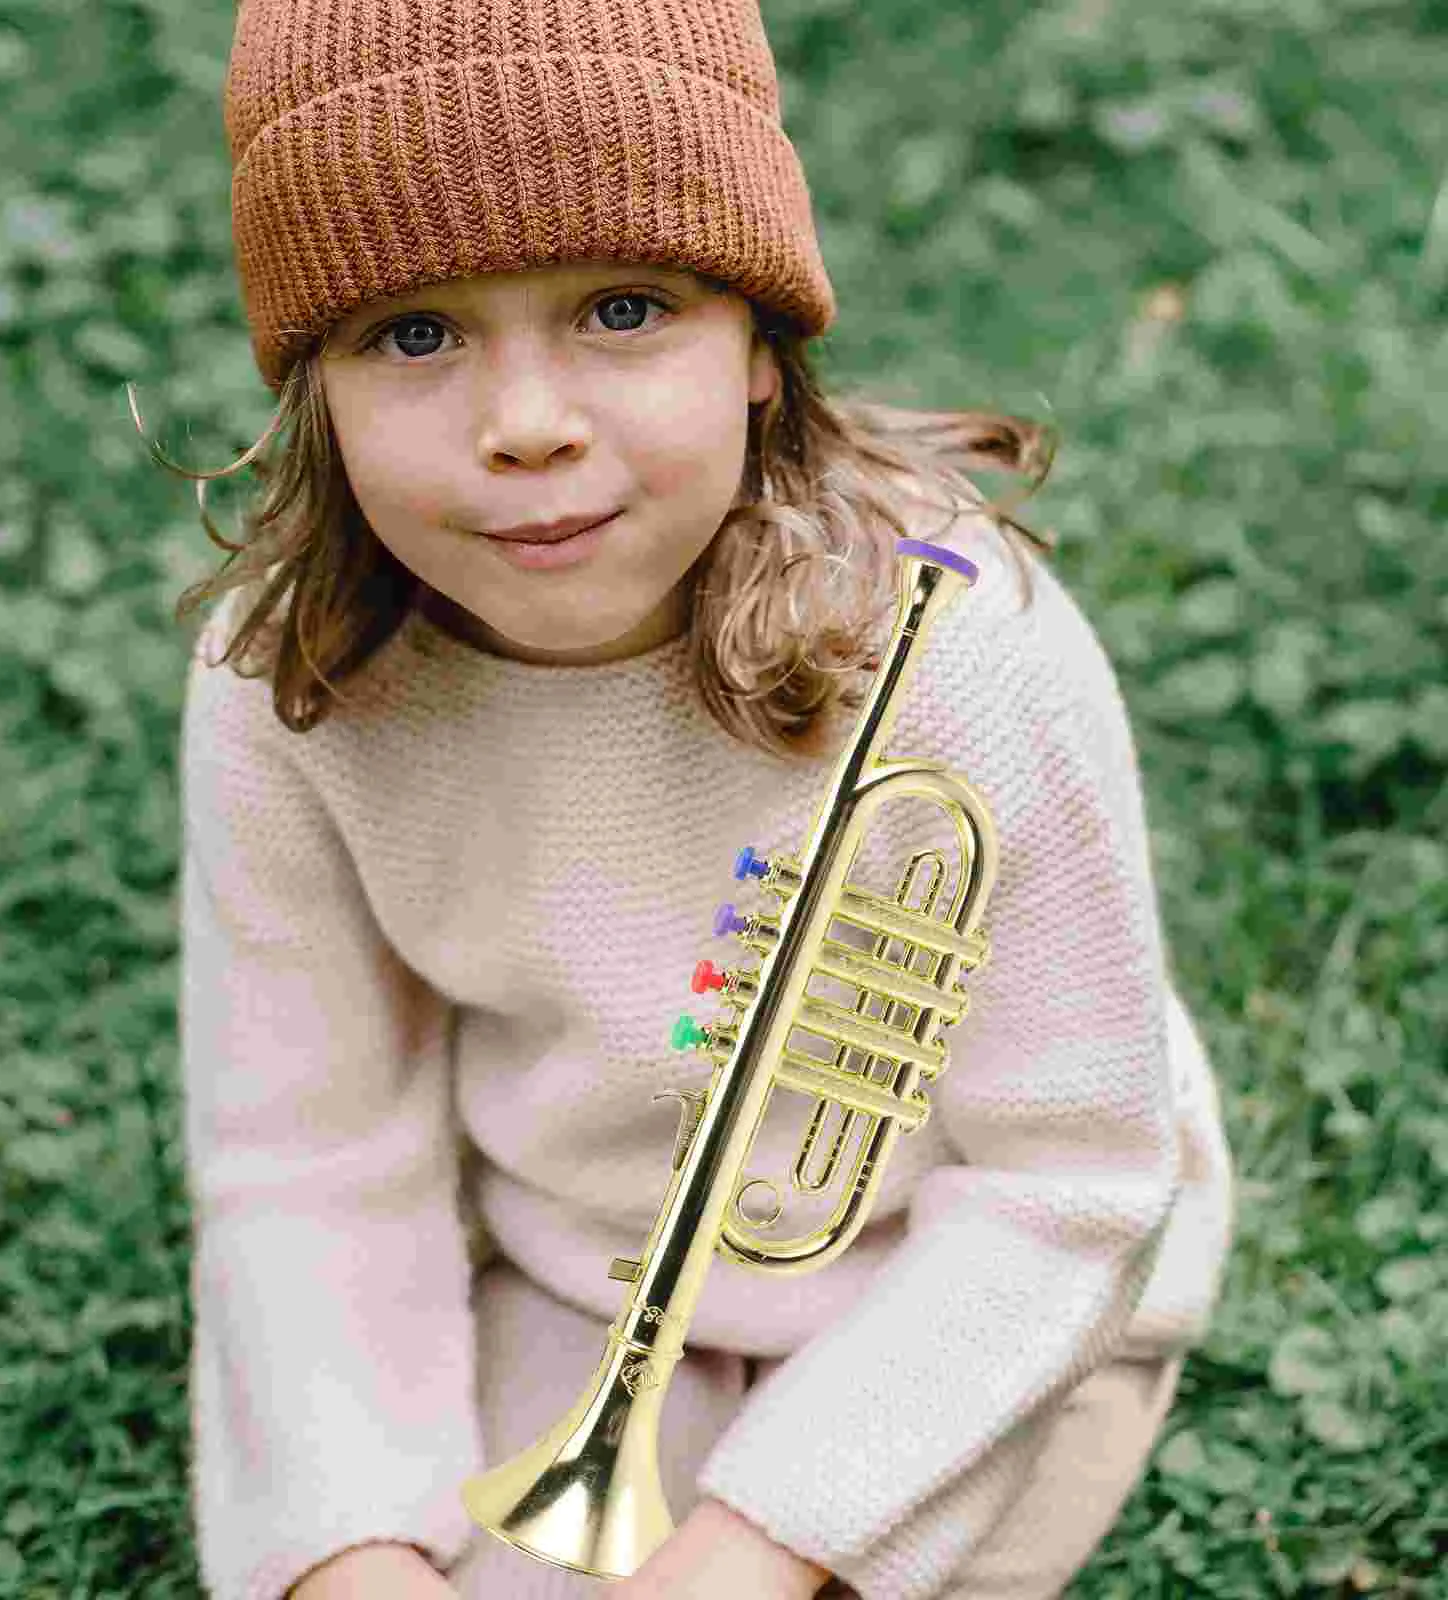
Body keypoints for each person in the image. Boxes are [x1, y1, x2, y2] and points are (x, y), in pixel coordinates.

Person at [154, 1, 1235, 1596]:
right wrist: (346, 1552)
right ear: (314, 379)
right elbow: (312, 1168)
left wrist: (765, 1548)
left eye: (623, 307)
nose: (528, 426)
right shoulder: (285, 684)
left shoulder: (959, 646)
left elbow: (1064, 1182)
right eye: (416, 333)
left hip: (972, 1283)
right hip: (576, 1260)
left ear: (756, 343)